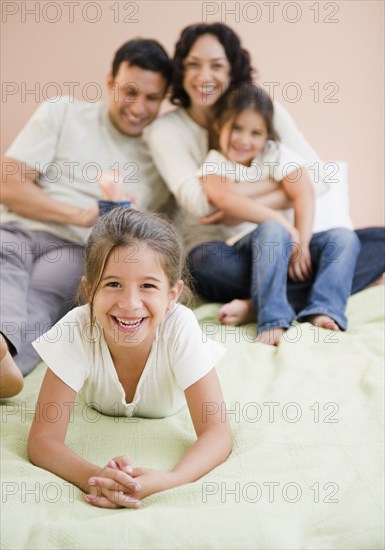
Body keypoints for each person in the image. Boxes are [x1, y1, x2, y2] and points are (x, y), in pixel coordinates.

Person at [145, 22, 385, 331]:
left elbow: (318, 178)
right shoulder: (170, 132)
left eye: (217, 65)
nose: (204, 76)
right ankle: (310, 292)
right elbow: (202, 205)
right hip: (224, 252)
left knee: (372, 241)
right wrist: (282, 195)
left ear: (232, 70)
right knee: (204, 266)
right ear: (180, 70)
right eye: (193, 65)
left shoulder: (264, 113)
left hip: (289, 249)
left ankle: (258, 304)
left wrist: (247, 210)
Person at [0, 39, 173, 397]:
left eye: (152, 98)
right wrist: (79, 214)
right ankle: (5, 351)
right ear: (110, 81)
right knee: (5, 269)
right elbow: (8, 181)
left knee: (49, 299)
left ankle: (7, 361)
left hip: (75, 250)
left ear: (165, 98)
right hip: (15, 229)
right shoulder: (62, 111)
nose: (138, 108)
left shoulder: (162, 156)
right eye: (129, 91)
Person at [27, 208, 232, 509]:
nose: (129, 304)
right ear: (89, 290)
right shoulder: (78, 327)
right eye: (112, 284)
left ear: (173, 294)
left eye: (148, 286)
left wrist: (173, 479)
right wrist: (98, 478)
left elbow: (217, 432)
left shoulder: (180, 326)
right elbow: (43, 440)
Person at [196, 83, 361, 344]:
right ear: (220, 126)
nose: (244, 140)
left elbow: (303, 192)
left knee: (345, 238)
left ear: (266, 136)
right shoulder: (215, 162)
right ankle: (272, 317)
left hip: (292, 250)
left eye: (255, 133)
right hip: (245, 255)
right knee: (206, 257)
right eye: (236, 128)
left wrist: (302, 243)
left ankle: (322, 308)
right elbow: (223, 197)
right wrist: (284, 223)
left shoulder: (275, 154)